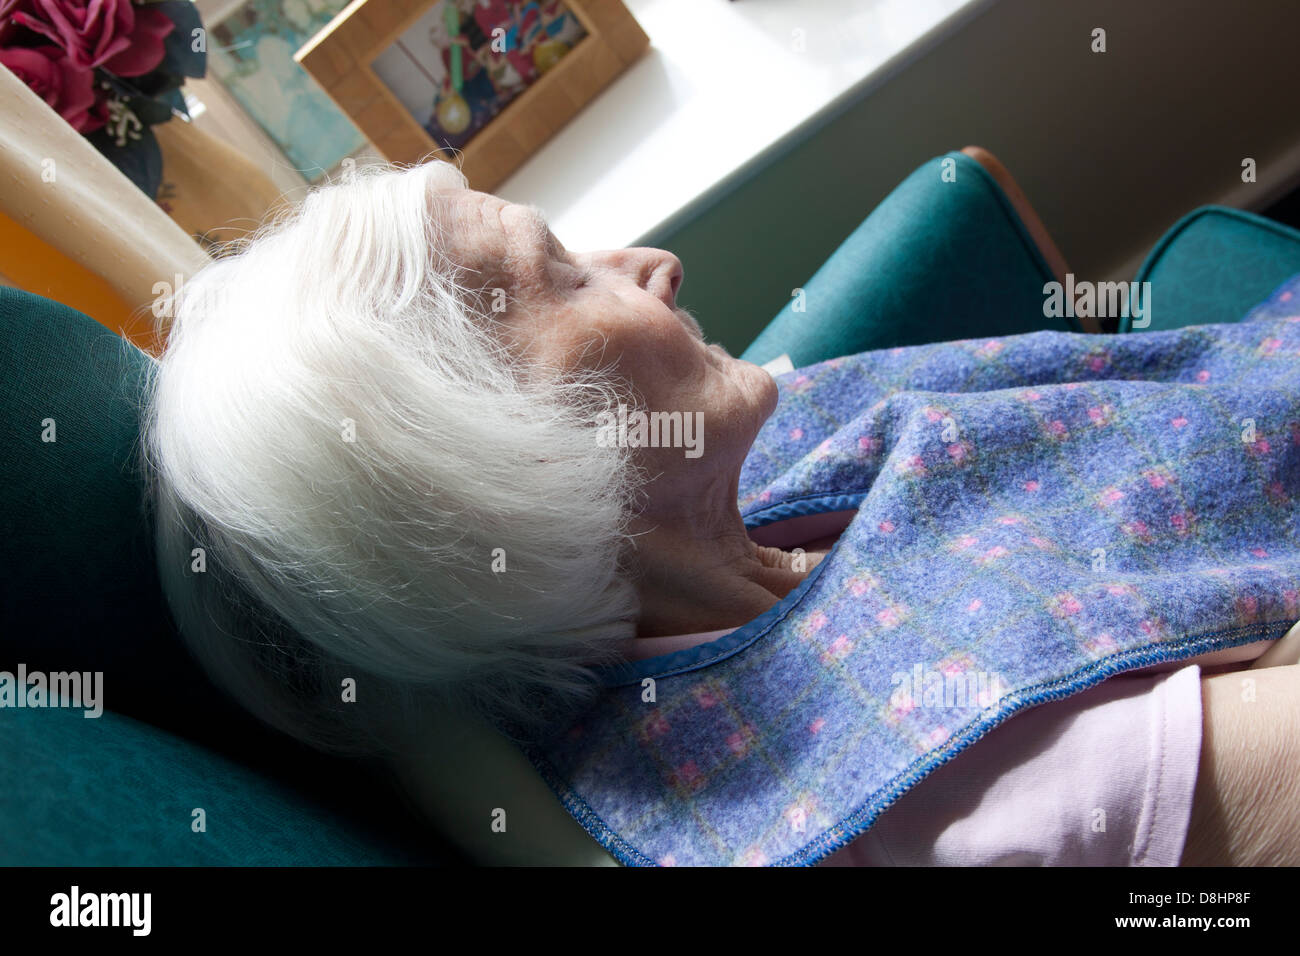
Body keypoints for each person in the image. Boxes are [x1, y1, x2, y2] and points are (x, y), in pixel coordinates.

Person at [142, 159, 1300, 866]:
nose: (654, 263)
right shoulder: (923, 781)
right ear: (487, 451)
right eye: (564, 273)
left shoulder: (749, 502)